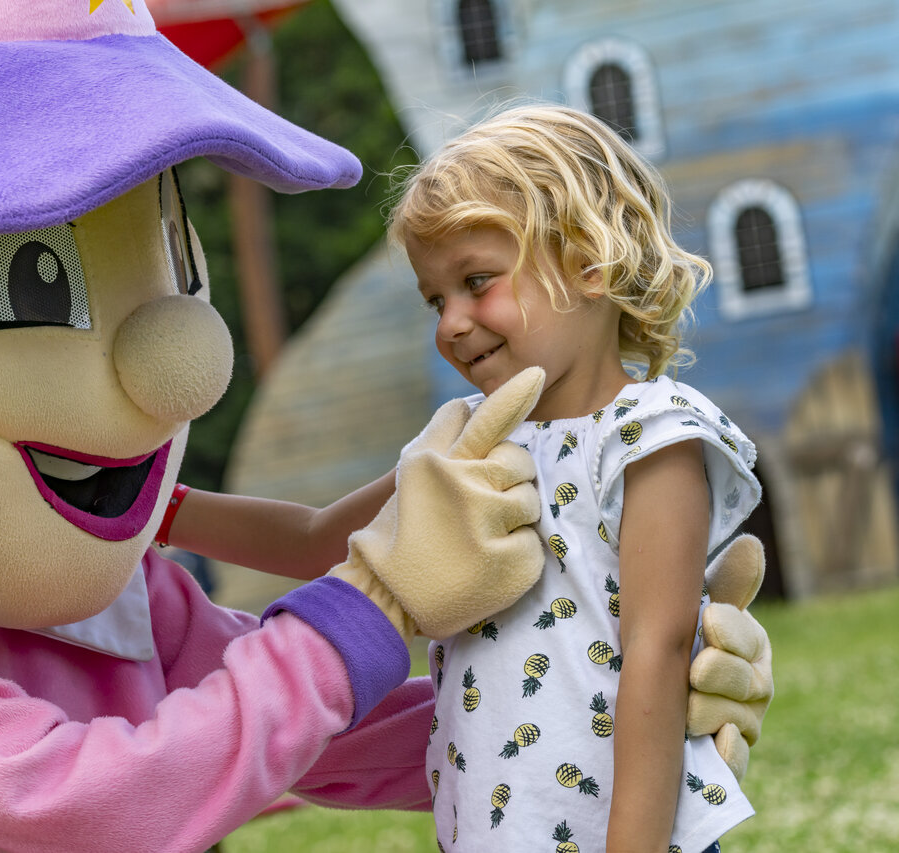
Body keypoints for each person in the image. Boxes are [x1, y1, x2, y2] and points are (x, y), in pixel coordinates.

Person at [162, 103, 761, 853]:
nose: (451, 320)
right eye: (436, 299)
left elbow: (658, 651)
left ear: (589, 263)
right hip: (490, 826)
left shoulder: (651, 436)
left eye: (478, 281)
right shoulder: (465, 439)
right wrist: (157, 506)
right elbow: (321, 539)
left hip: (620, 830)